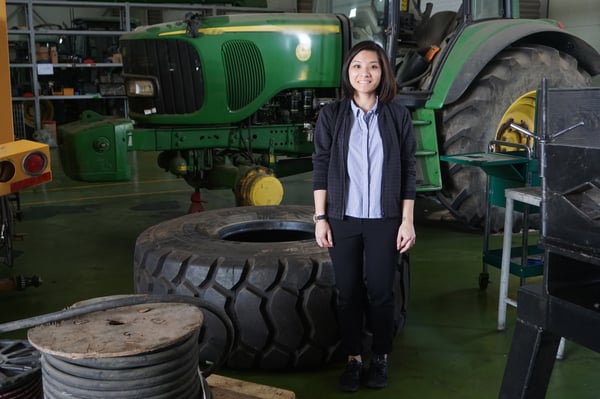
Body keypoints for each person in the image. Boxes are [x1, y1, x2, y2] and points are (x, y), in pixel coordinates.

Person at [312, 40, 417, 392]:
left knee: (381, 293)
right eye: (357, 66)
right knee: (347, 293)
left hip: (384, 220)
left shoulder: (397, 115)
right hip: (343, 219)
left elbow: (407, 170)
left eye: (372, 66)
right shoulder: (332, 115)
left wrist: (407, 220)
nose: (364, 73)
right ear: (348, 72)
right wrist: (320, 217)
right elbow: (321, 166)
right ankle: (354, 359)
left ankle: (381, 358)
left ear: (382, 72)